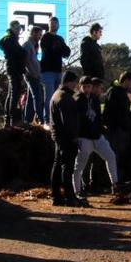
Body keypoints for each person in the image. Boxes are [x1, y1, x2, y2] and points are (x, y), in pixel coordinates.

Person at [74, 77, 121, 200]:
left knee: (110, 156)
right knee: (79, 166)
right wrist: (77, 137)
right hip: (84, 138)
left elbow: (98, 118)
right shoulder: (78, 100)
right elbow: (78, 121)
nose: (87, 89)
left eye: (89, 86)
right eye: (85, 86)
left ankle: (115, 185)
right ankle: (77, 191)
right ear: (80, 86)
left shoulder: (94, 100)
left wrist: (101, 130)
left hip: (97, 137)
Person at [49, 71, 82, 206]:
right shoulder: (65, 98)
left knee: (57, 166)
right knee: (67, 168)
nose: (76, 85)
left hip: (58, 136)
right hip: (67, 139)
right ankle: (69, 197)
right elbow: (68, 122)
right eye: (75, 82)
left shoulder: (56, 95)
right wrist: (75, 138)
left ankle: (56, 196)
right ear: (69, 82)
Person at [104, 72, 131, 191]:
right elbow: (115, 113)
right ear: (126, 80)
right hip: (117, 130)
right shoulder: (116, 92)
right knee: (116, 156)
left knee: (119, 156)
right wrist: (123, 125)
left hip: (119, 129)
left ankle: (118, 181)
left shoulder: (116, 91)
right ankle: (117, 183)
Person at [40, 16, 70, 121]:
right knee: (49, 97)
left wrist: (58, 48)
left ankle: (55, 120)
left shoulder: (60, 38)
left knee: (57, 97)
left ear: (58, 25)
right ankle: (47, 120)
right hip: (47, 71)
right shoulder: (45, 37)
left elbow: (67, 52)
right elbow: (48, 51)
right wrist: (58, 49)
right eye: (51, 23)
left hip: (58, 71)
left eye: (55, 23)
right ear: (48, 24)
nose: (53, 25)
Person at [0, 22, 27, 127]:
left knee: (12, 94)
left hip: (14, 69)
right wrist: (23, 52)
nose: (19, 30)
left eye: (20, 28)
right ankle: (12, 120)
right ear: (12, 28)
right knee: (14, 94)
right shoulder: (9, 39)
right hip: (13, 69)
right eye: (18, 28)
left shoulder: (10, 38)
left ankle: (9, 120)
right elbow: (18, 53)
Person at [23, 24, 46, 123]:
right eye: (38, 34)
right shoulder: (28, 45)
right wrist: (33, 73)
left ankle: (27, 119)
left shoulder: (33, 45)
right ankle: (40, 118)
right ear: (33, 33)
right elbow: (26, 61)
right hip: (32, 76)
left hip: (34, 75)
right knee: (37, 97)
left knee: (30, 98)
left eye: (41, 35)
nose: (40, 37)